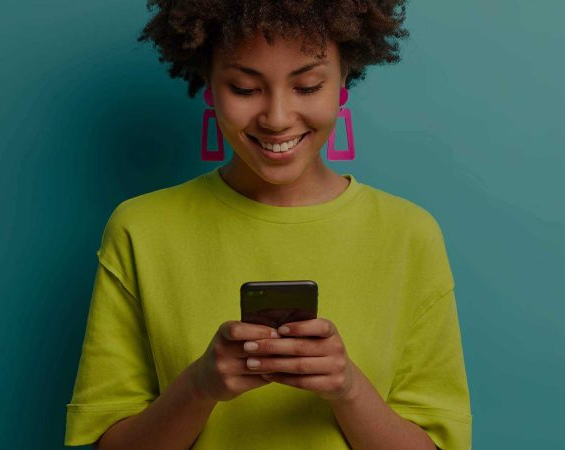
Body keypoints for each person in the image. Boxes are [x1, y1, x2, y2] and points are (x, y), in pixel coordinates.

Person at [64, 1, 472, 449]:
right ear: (209, 86)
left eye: (308, 86)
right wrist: (200, 386)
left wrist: (348, 389)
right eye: (243, 88)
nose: (277, 118)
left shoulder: (409, 234)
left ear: (343, 84)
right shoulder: (139, 229)